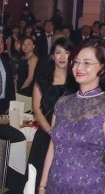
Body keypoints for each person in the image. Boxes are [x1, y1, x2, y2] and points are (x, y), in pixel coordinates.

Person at [37, 38, 105, 194]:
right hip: (55, 190)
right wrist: (42, 186)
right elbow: (53, 146)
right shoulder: (62, 103)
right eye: (76, 61)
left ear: (102, 68)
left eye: (87, 63)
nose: (79, 67)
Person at [29, 37, 77, 174]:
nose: (62, 57)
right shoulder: (42, 79)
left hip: (69, 137)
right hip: (45, 134)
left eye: (67, 52)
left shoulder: (77, 82)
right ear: (52, 56)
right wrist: (51, 132)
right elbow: (37, 110)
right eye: (58, 52)